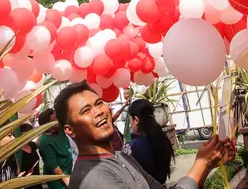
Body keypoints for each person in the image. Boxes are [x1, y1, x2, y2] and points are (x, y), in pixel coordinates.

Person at [53, 81, 234, 189]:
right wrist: (201, 164)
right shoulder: (93, 177)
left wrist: (208, 164)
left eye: (99, 103)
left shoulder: (121, 156)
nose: (98, 111)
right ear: (70, 130)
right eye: (86, 110)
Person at [123, 99, 175, 184]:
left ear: (136, 120)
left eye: (130, 120)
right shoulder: (162, 137)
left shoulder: (132, 145)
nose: (130, 123)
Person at [39, 108, 74, 188]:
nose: (57, 120)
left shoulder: (59, 130)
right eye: (54, 119)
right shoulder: (45, 141)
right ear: (47, 124)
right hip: (57, 178)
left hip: (68, 172)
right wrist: (65, 179)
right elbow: (53, 165)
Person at [18, 123, 44, 187]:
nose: (30, 136)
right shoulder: (18, 152)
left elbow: (37, 142)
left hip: (37, 181)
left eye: (31, 133)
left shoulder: (33, 145)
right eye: (27, 133)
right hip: (26, 183)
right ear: (21, 134)